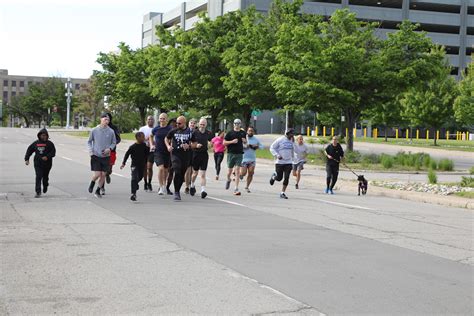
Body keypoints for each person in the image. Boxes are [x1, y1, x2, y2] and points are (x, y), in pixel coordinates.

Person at [165, 116, 196, 201]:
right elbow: (166, 138)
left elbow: (195, 144)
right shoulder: (174, 130)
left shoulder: (190, 132)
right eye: (177, 123)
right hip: (175, 154)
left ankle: (177, 190)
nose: (177, 124)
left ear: (184, 122)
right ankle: (176, 192)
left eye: (179, 123)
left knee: (181, 174)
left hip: (186, 156)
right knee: (177, 171)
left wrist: (189, 145)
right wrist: (168, 146)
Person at [87, 113, 117, 198]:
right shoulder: (94, 130)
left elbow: (114, 142)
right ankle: (92, 183)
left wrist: (109, 149)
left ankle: (97, 191)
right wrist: (91, 152)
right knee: (97, 174)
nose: (106, 121)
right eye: (105, 120)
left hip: (106, 156)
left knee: (103, 174)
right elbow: (89, 142)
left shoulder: (111, 131)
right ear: (101, 120)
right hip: (96, 155)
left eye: (108, 120)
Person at [24, 128, 56, 198]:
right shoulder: (36, 143)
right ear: (39, 136)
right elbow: (29, 150)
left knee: (45, 177)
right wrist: (27, 159)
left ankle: (45, 185)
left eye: (45, 135)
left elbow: (53, 152)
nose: (44, 137)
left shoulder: (50, 144)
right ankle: (38, 192)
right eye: (42, 135)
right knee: (38, 176)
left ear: (47, 136)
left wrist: (47, 157)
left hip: (47, 164)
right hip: (38, 163)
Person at [120, 132, 148, 201]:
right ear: (138, 138)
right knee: (134, 178)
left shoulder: (145, 146)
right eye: (142, 137)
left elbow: (147, 155)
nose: (144, 138)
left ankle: (135, 185)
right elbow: (127, 154)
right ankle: (133, 194)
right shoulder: (133, 147)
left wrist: (146, 162)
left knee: (140, 177)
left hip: (142, 165)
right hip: (134, 165)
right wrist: (123, 163)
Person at [190, 118, 213, 198]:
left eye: (203, 124)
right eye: (201, 124)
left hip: (204, 154)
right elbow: (190, 144)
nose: (202, 126)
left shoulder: (208, 133)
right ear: (198, 124)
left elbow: (212, 141)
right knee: (195, 173)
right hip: (196, 154)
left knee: (203, 174)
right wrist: (196, 145)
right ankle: (192, 185)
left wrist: (211, 144)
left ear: (206, 125)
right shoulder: (194, 133)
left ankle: (203, 190)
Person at [269, 128, 295, 199]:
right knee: (279, 178)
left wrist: (294, 160)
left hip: (288, 162)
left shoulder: (292, 140)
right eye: (291, 134)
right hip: (280, 162)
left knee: (287, 177)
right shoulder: (280, 140)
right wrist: (277, 155)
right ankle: (274, 177)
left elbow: (293, 150)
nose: (292, 135)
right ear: (287, 133)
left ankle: (282, 192)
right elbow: (272, 148)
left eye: (293, 134)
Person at [150, 113, 172, 195]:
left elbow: (173, 138)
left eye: (163, 118)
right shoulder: (156, 129)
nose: (162, 120)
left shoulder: (170, 129)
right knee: (161, 168)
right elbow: (151, 136)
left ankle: (164, 184)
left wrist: (170, 146)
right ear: (158, 119)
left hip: (167, 152)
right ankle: (161, 186)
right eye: (160, 118)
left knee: (166, 170)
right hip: (158, 151)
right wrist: (152, 144)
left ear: (166, 119)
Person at [223, 118, 247, 196]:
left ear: (240, 124)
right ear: (233, 124)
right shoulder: (230, 133)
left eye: (238, 123)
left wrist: (244, 141)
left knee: (237, 171)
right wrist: (232, 141)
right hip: (231, 154)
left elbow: (245, 143)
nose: (237, 125)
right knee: (229, 171)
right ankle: (228, 179)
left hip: (239, 154)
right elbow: (224, 143)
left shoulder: (243, 133)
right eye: (236, 123)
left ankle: (236, 188)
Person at [102, 112, 121, 194]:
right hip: (102, 152)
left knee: (108, 169)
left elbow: (118, 138)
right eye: (105, 118)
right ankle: (101, 187)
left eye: (108, 118)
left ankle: (108, 174)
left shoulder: (114, 128)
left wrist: (113, 144)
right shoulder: (100, 128)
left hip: (112, 151)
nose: (106, 120)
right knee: (102, 170)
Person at [240, 126, 263, 193]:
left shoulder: (255, 139)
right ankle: (240, 174)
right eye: (249, 130)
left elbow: (262, 146)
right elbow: (239, 146)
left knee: (251, 173)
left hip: (252, 159)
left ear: (253, 132)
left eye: (252, 131)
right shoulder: (244, 138)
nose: (250, 132)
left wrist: (256, 146)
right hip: (244, 159)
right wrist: (245, 145)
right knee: (244, 173)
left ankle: (247, 186)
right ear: (247, 131)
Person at [139, 115, 155, 192]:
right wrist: (145, 139)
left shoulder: (155, 129)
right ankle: (145, 182)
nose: (150, 121)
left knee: (149, 167)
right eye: (149, 119)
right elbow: (138, 139)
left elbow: (158, 140)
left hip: (151, 151)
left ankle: (149, 182)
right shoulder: (142, 129)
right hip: (143, 150)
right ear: (146, 121)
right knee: (144, 168)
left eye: (152, 119)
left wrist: (152, 142)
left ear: (154, 121)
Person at [184, 118, 197, 194]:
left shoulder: (197, 132)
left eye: (194, 123)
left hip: (195, 152)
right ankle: (187, 186)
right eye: (191, 123)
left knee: (193, 171)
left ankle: (191, 184)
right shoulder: (185, 131)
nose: (192, 124)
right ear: (188, 124)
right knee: (188, 170)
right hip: (187, 152)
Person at [165, 118, 177, 195]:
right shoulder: (168, 131)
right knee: (165, 171)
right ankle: (162, 184)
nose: (173, 125)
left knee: (171, 172)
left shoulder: (178, 132)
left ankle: (167, 187)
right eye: (172, 124)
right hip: (166, 153)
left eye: (175, 124)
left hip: (174, 154)